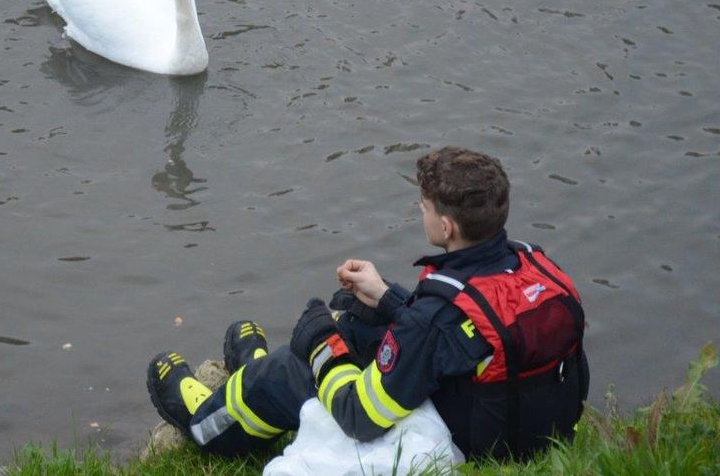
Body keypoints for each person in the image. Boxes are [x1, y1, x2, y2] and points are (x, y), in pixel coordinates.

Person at [146, 146, 588, 461]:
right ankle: (245, 380)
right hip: (508, 426)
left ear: (447, 227)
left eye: (424, 206)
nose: (421, 211)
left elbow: (360, 416)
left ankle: (206, 423)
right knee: (357, 315)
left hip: (456, 442)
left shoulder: (434, 318)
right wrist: (388, 298)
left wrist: (321, 342)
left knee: (290, 369)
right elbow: (461, 330)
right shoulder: (534, 266)